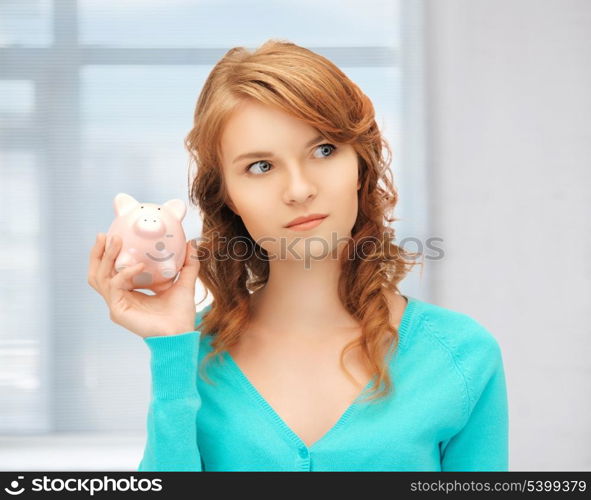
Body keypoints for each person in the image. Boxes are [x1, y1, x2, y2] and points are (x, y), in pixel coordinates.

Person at [87, 39, 509, 472]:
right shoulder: (189, 351)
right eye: (261, 167)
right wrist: (170, 346)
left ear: (360, 167)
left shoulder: (462, 354)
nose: (299, 189)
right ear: (228, 197)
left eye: (324, 150)